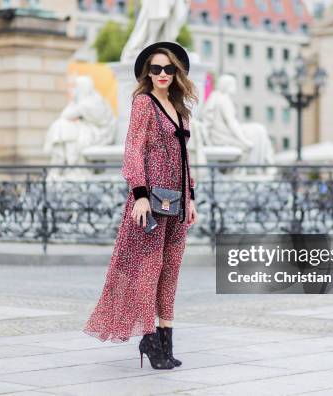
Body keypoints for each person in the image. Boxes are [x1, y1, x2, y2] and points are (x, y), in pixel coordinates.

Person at [83, 41, 199, 370]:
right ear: (147, 73)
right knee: (148, 271)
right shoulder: (143, 103)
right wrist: (140, 194)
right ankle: (149, 340)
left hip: (176, 203)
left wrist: (190, 198)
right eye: (155, 69)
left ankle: (165, 339)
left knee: (169, 272)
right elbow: (133, 148)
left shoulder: (180, 107)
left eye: (168, 68)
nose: (162, 74)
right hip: (149, 201)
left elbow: (184, 157)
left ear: (177, 71)